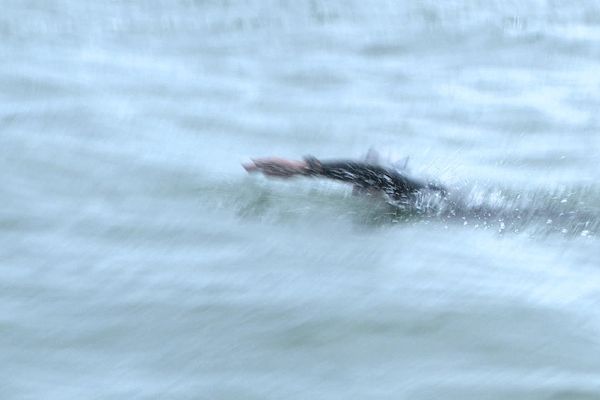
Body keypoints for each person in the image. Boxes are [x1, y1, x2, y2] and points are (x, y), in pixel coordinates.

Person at [243, 154, 446, 203]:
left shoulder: (406, 191)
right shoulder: (400, 190)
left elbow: (379, 174)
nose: (355, 190)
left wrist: (308, 169)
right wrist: (306, 169)